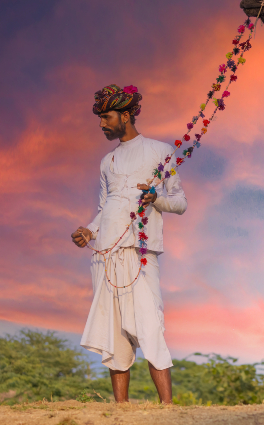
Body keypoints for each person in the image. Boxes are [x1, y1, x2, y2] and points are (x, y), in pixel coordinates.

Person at [71, 84, 187, 404]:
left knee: (150, 326)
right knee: (115, 331)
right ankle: (121, 411)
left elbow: (180, 202)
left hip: (140, 250)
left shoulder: (160, 150)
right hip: (104, 255)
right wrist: (89, 232)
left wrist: (156, 199)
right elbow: (103, 209)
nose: (101, 124)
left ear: (125, 115)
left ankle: (167, 409)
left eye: (106, 117)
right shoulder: (106, 162)